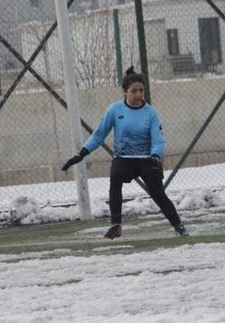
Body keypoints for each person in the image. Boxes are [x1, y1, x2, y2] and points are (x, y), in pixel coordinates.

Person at [62, 66, 188, 239]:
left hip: (147, 158)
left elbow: (158, 139)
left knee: (158, 193)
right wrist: (82, 153)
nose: (138, 95)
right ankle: (116, 225)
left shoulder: (151, 113)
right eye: (134, 91)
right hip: (123, 157)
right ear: (125, 92)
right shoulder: (115, 110)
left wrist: (155, 156)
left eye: (141, 91)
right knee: (115, 179)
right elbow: (99, 135)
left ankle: (178, 226)